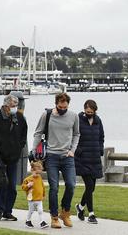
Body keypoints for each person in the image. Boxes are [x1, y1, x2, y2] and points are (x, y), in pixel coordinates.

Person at [32, 92, 80, 229]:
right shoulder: (47, 115)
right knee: (54, 187)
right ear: (56, 104)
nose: (63, 109)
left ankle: (65, 212)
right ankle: (54, 217)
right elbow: (38, 132)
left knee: (71, 185)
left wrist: (73, 150)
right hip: (51, 156)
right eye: (60, 107)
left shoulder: (73, 116)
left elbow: (77, 134)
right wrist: (34, 151)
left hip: (67, 156)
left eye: (65, 107)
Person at [0, 94, 28, 221]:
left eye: (16, 106)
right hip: (0, 157)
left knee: (12, 186)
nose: (15, 108)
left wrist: (19, 147)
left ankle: (8, 210)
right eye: (13, 106)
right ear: (6, 105)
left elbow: (24, 133)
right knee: (2, 184)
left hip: (13, 157)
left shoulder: (19, 117)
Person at [74, 99, 105, 225]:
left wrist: (100, 150)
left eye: (91, 112)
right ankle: (91, 214)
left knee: (92, 188)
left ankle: (80, 207)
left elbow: (101, 137)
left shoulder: (98, 121)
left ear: (95, 111)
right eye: (87, 111)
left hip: (95, 158)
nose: (89, 113)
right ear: (84, 109)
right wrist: (77, 150)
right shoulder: (78, 119)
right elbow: (73, 135)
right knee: (89, 186)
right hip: (82, 158)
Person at [10, 91, 29, 186]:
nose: (22, 105)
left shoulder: (23, 117)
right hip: (12, 153)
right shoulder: (7, 117)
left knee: (22, 176)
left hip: (23, 152)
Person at [21, 161, 49, 229]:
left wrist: (44, 194)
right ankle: (28, 221)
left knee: (40, 210)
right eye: (36, 173)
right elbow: (23, 187)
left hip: (39, 199)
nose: (37, 175)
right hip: (32, 199)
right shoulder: (28, 179)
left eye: (39, 173)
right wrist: (27, 185)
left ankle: (42, 222)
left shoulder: (39, 178)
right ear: (32, 170)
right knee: (31, 211)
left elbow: (42, 187)